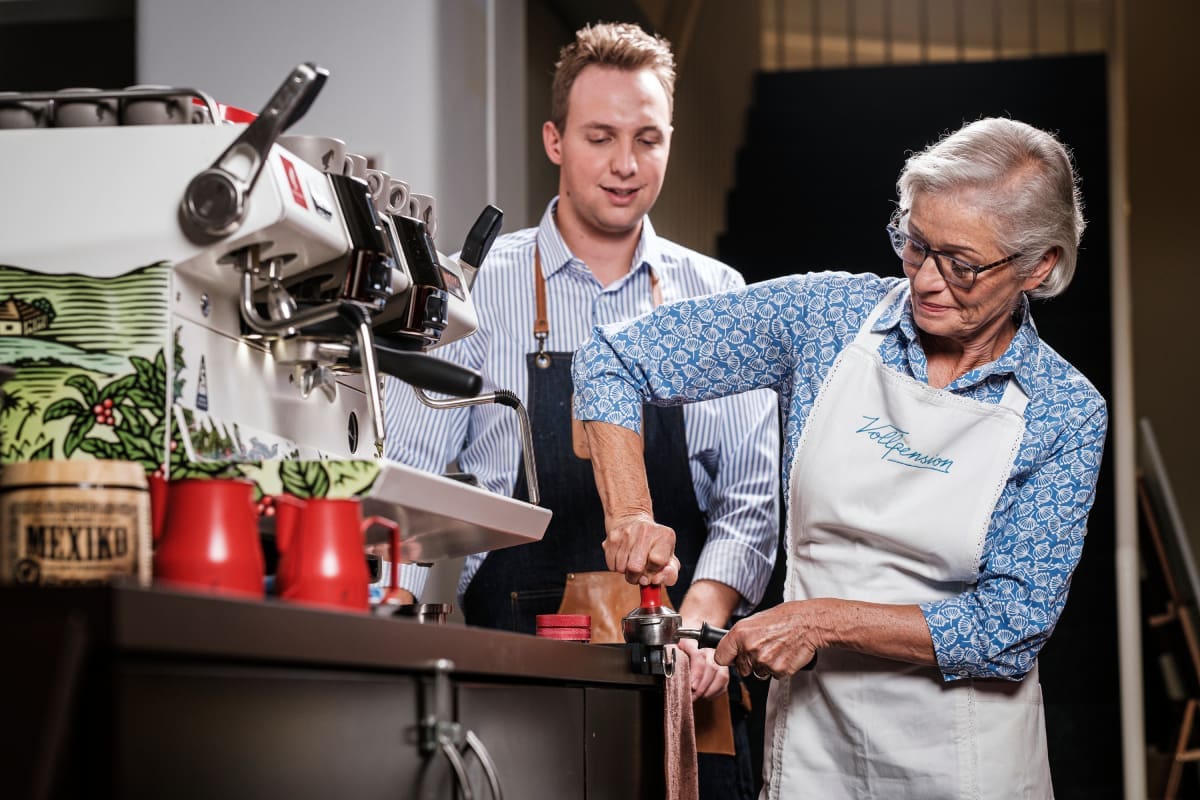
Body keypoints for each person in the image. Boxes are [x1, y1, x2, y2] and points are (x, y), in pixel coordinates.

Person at [572, 116, 1108, 798]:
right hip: (814, 754)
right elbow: (613, 358)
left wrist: (818, 619)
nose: (927, 282)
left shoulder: (1065, 410)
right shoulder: (825, 320)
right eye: (916, 245)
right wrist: (630, 515)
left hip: (969, 763)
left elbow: (1010, 626)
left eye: (963, 264)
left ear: (1040, 266)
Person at [382, 21, 779, 798]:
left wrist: (698, 627)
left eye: (648, 138)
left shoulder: (717, 296)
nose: (627, 165)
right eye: (600, 137)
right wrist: (385, 613)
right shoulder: (478, 288)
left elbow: (750, 502)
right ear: (555, 139)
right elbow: (413, 482)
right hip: (522, 664)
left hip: (686, 666)